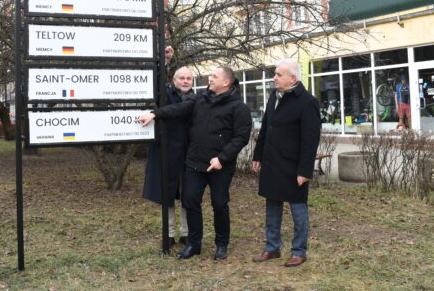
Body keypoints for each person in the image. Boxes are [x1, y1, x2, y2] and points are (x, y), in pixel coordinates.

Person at [138, 66, 252, 260]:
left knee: (220, 205)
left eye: (214, 76)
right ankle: (194, 244)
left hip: (220, 166)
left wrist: (222, 158)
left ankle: (221, 244)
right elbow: (178, 109)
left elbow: (241, 137)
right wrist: (155, 114)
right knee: (190, 202)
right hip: (195, 163)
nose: (210, 78)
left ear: (226, 82)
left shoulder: (238, 107)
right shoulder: (201, 99)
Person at [252, 59, 321, 267]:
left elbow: (310, 140)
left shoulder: (307, 102)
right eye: (275, 74)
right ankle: (272, 248)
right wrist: (257, 155)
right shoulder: (275, 96)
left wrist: (305, 170)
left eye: (278, 75)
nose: (274, 78)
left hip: (293, 166)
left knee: (298, 209)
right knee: (272, 206)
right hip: (272, 162)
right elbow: (266, 127)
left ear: (292, 78)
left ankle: (299, 251)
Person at [142, 66, 194, 247]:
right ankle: (169, 233)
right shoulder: (164, 95)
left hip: (189, 154)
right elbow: (153, 82)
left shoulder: (197, 99)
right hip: (166, 152)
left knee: (189, 194)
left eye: (189, 78)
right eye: (182, 78)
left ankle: (186, 233)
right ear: (174, 80)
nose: (185, 81)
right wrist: (164, 62)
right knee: (167, 194)